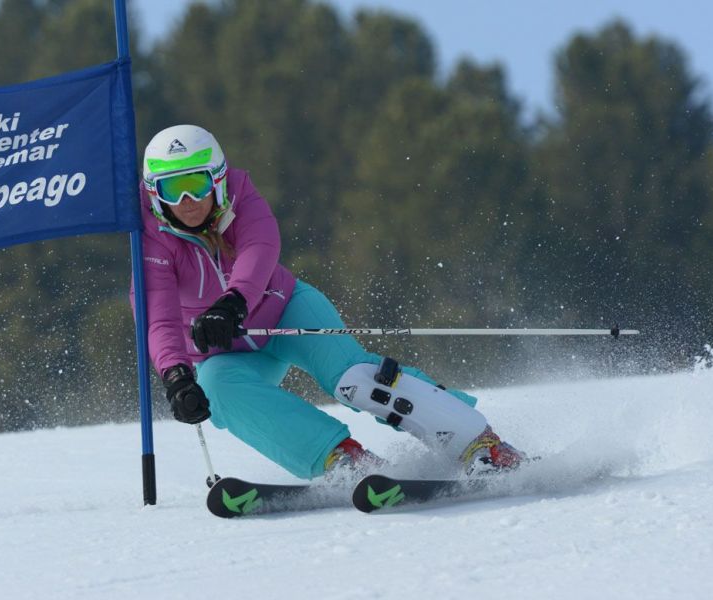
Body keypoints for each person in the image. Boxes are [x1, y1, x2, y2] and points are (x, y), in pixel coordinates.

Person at [132, 124, 524, 480]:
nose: (186, 201)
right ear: (154, 192)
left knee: (353, 379)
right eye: (171, 188)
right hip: (224, 350)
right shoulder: (149, 237)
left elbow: (260, 246)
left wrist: (234, 301)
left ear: (216, 179)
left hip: (283, 311)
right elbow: (158, 318)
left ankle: (480, 444)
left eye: (196, 185)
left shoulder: (240, 196)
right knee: (216, 387)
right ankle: (342, 459)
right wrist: (176, 377)